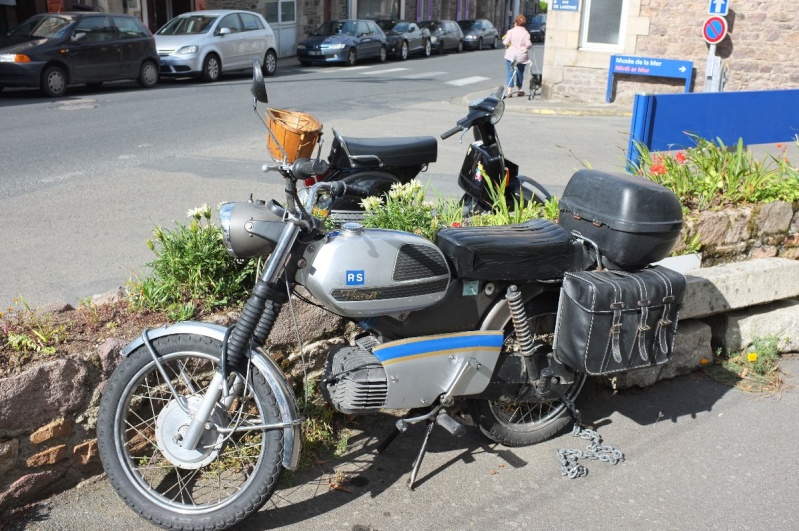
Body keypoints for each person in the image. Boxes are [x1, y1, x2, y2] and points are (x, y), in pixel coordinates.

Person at [502, 15, 532, 97]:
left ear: (515, 23)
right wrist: (527, 47)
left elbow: (505, 42)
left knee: (510, 72)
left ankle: (509, 92)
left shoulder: (510, 31)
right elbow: (528, 45)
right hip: (521, 56)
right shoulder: (526, 33)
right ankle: (520, 90)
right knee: (520, 72)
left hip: (511, 55)